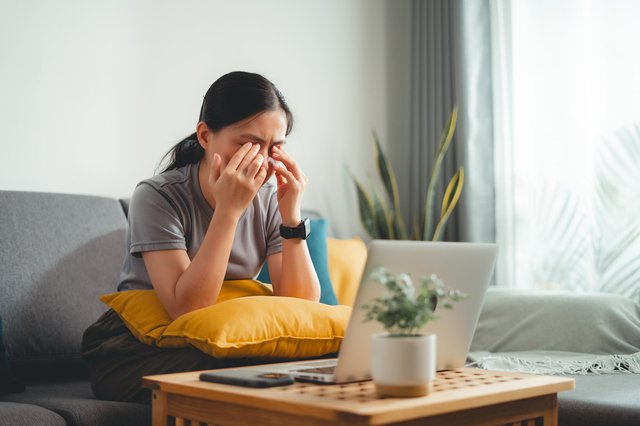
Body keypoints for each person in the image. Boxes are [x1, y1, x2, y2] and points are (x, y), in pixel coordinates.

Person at [81, 71, 321, 404]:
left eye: (275, 147)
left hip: (220, 342)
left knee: (299, 367)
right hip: (134, 350)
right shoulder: (157, 196)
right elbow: (188, 309)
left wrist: (291, 218)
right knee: (247, 374)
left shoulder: (269, 199)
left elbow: (302, 308)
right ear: (206, 136)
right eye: (249, 144)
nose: (263, 161)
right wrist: (228, 212)